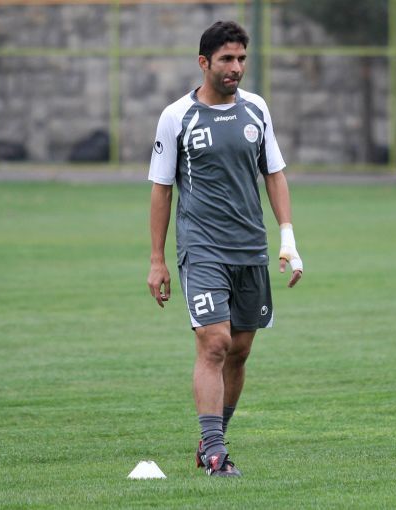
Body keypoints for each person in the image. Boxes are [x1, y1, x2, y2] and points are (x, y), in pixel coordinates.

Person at [146, 20, 303, 478]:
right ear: (204, 62)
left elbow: (274, 174)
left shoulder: (256, 109)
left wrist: (288, 239)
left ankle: (211, 439)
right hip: (202, 248)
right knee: (214, 343)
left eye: (241, 59)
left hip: (250, 249)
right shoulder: (177, 116)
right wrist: (157, 260)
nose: (236, 67)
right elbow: (161, 190)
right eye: (226, 59)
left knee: (240, 350)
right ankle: (216, 453)